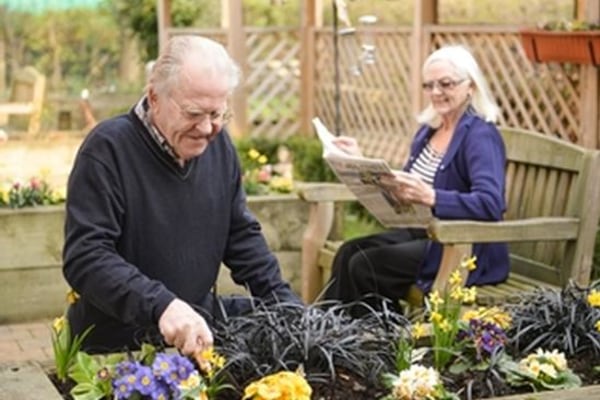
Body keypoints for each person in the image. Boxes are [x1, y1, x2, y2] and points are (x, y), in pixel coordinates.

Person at [63, 35, 300, 355]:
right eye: (193, 114)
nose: (206, 128)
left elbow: (240, 235)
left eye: (217, 114)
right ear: (154, 97)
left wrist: (286, 307)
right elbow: (86, 257)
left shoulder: (219, 146)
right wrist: (161, 306)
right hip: (117, 350)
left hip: (197, 336)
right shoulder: (108, 149)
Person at [323, 44, 509, 313]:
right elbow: (407, 187)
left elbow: (490, 204)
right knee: (349, 252)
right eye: (429, 85)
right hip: (423, 234)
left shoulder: (480, 135)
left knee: (365, 265)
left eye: (445, 84)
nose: (436, 92)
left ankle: (372, 341)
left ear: (471, 87)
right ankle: (336, 335)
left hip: (459, 248)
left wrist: (432, 197)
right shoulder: (429, 131)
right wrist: (361, 163)